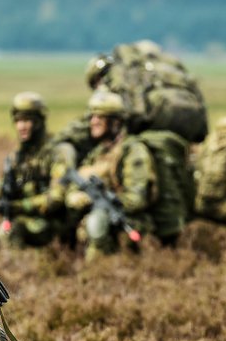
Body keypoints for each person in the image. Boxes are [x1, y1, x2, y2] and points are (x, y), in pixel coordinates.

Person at [65, 90, 184, 260]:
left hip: (130, 223)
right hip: (99, 221)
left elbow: (137, 199)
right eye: (92, 117)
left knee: (97, 222)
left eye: (100, 117)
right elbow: (76, 184)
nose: (93, 122)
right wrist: (78, 197)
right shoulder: (98, 152)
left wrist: (102, 200)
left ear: (115, 122)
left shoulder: (133, 152)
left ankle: (98, 274)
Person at [0, 92, 76, 249]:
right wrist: (6, 189)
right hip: (29, 220)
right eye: (18, 121)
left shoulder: (56, 153)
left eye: (26, 120)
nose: (21, 126)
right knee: (6, 230)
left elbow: (56, 199)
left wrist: (19, 206)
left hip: (54, 222)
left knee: (12, 231)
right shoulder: (17, 156)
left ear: (38, 123)